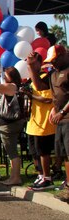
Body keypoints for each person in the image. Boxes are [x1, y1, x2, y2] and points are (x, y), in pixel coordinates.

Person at [28, 44, 69, 199]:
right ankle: (67, 183)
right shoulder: (53, 73)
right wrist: (31, 66)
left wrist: (63, 111)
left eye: (55, 60)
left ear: (64, 55)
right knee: (64, 154)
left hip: (66, 117)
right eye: (51, 61)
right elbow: (39, 86)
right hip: (60, 119)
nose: (53, 63)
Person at [21, 60, 56, 191]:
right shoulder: (31, 80)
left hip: (44, 121)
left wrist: (30, 95)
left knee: (43, 152)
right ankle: (41, 175)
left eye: (30, 64)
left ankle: (47, 178)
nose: (28, 66)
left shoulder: (46, 78)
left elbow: (48, 99)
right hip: (33, 120)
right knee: (35, 152)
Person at [0, 66, 26, 186]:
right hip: (10, 124)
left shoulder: (12, 86)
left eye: (6, 75)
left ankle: (15, 177)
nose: (3, 77)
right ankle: (13, 176)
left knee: (12, 152)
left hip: (9, 124)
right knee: (11, 151)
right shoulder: (15, 87)